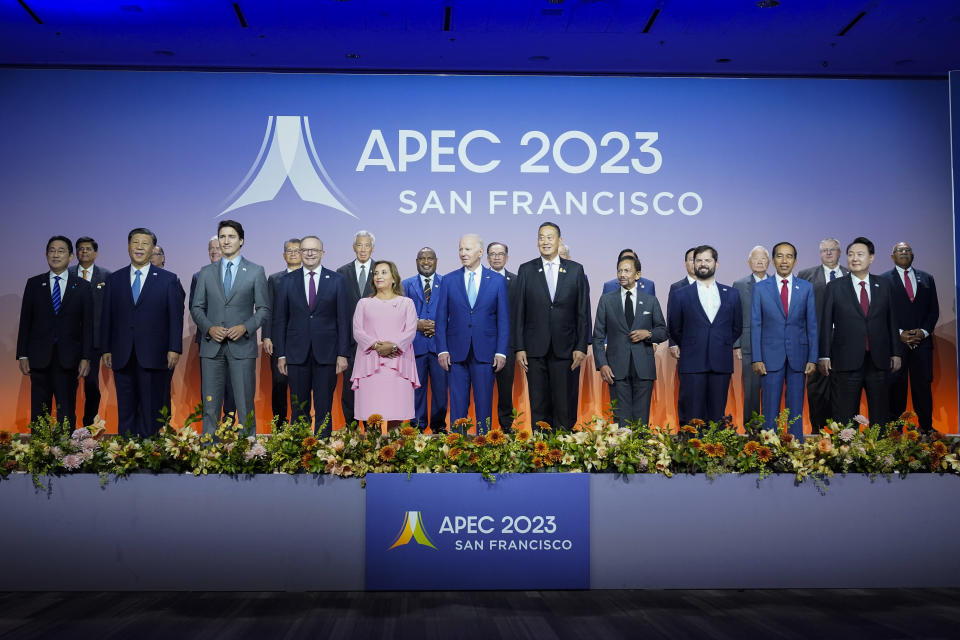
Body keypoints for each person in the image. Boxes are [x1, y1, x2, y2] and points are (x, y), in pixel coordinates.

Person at [100, 228, 184, 437]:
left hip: (154, 354)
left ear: (152, 248)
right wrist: (106, 348)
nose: (139, 247)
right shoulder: (115, 279)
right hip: (122, 353)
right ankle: (127, 453)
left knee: (150, 408)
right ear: (128, 246)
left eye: (144, 243)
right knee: (126, 408)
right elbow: (107, 316)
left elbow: (175, 316)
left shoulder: (168, 279)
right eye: (135, 242)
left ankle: (149, 453)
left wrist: (174, 347)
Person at [190, 220, 269, 433]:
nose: (226, 241)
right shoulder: (205, 272)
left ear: (241, 241)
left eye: (231, 236)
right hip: (211, 346)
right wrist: (209, 328)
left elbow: (263, 309)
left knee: (244, 404)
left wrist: (245, 327)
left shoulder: (255, 271)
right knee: (210, 404)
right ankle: (209, 450)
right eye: (222, 236)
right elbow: (196, 307)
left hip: (242, 346)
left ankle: (248, 450)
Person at [514, 222, 591, 430]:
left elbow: (583, 313)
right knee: (538, 403)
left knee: (564, 403)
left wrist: (581, 347)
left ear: (559, 240)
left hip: (566, 349)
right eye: (541, 237)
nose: (545, 241)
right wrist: (520, 347)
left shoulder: (576, 270)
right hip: (535, 349)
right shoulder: (526, 270)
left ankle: (564, 451)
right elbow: (519, 311)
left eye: (549, 237)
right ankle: (541, 452)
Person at [818, 237, 901, 426]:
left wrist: (896, 352)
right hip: (846, 361)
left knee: (880, 414)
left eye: (860, 254)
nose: (854, 258)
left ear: (871, 258)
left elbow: (892, 321)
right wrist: (824, 355)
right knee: (846, 415)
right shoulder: (835, 287)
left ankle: (879, 453)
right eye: (851, 254)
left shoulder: (884, 285)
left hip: (878, 360)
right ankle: (848, 454)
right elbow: (825, 324)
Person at [274, 236, 349, 436]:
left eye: (314, 250)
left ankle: (322, 452)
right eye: (305, 250)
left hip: (327, 354)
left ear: (322, 253)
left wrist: (343, 353)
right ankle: (299, 450)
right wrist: (281, 354)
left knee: (324, 407)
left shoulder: (337, 280)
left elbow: (343, 319)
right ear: (299, 253)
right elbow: (280, 319)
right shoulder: (287, 281)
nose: (309, 253)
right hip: (296, 354)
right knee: (299, 407)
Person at [436, 234, 509, 434]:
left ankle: (483, 447)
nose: (462, 253)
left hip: (485, 353)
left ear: (479, 252)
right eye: (460, 249)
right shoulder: (449, 280)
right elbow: (441, 319)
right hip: (455, 353)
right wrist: (441, 349)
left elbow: (503, 319)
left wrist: (501, 352)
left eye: (467, 249)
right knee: (458, 405)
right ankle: (456, 448)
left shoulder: (496, 281)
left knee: (484, 404)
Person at [16, 236, 93, 429]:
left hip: (69, 359)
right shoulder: (34, 283)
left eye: (61, 251)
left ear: (70, 256)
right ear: (46, 255)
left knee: (66, 411)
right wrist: (22, 354)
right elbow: (26, 322)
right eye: (52, 250)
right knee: (39, 412)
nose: (55, 254)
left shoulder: (82, 286)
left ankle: (67, 455)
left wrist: (86, 357)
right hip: (40, 358)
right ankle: (40, 454)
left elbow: (88, 325)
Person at [667, 245, 742, 424]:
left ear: (716, 264)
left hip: (721, 363)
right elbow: (675, 327)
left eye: (707, 260)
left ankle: (714, 451)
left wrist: (719, 344)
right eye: (698, 260)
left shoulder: (732, 294)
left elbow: (736, 327)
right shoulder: (680, 294)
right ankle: (690, 451)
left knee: (717, 415)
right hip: (692, 362)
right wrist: (694, 343)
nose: (702, 264)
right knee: (692, 415)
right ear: (693, 264)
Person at [750, 242, 817, 437]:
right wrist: (756, 358)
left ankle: (796, 449)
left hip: (799, 355)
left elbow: (812, 324)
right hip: (770, 356)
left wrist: (813, 357)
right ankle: (770, 451)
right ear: (773, 260)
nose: (784, 260)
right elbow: (756, 324)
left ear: (795, 260)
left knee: (796, 407)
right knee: (770, 408)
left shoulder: (806, 288)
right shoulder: (761, 288)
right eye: (780, 256)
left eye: (789, 256)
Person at [593, 255, 668, 426]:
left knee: (641, 421)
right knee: (621, 422)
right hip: (616, 369)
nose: (622, 274)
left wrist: (647, 334)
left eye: (627, 270)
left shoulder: (650, 301)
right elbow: (597, 336)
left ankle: (642, 452)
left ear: (637, 275)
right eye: (619, 270)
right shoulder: (606, 300)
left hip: (643, 368)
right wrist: (602, 364)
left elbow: (663, 331)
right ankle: (621, 452)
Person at [352, 261, 419, 427]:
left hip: (398, 362)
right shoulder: (364, 303)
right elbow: (357, 331)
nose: (378, 276)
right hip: (370, 364)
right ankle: (372, 452)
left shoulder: (406, 303)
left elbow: (410, 331)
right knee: (371, 411)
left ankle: (394, 450)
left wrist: (394, 346)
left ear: (394, 278)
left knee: (396, 409)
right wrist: (376, 346)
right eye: (376, 273)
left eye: (383, 272)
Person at [883, 242, 938, 430]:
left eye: (907, 250)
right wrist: (900, 334)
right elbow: (883, 312)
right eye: (900, 250)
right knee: (895, 388)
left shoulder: (927, 278)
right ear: (892, 256)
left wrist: (922, 332)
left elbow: (933, 311)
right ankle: (894, 432)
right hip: (896, 345)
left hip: (922, 344)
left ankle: (926, 429)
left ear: (912, 255)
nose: (904, 253)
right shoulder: (883, 280)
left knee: (922, 388)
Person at [797, 237, 849, 430]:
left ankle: (843, 433)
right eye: (824, 250)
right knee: (817, 389)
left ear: (839, 252)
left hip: (845, 342)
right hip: (816, 340)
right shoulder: (806, 275)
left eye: (832, 249)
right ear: (820, 253)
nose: (828, 253)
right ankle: (817, 431)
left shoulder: (850, 274)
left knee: (844, 388)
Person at [402, 247, 447, 433]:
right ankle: (417, 428)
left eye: (430, 258)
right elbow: (400, 315)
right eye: (422, 258)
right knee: (416, 390)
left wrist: (438, 325)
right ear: (416, 261)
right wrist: (417, 324)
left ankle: (438, 427)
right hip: (415, 346)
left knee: (441, 391)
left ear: (436, 261)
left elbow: (454, 312)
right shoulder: (405, 285)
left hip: (440, 347)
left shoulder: (447, 283)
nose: (426, 261)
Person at [68, 236, 111, 427]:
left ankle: (88, 429)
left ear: (96, 253)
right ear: (76, 253)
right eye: (80, 249)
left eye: (88, 249)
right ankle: (68, 428)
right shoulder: (67, 274)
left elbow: (111, 308)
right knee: (68, 386)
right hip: (70, 340)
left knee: (92, 385)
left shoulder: (106, 276)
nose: (84, 252)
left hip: (95, 340)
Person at [190, 236, 234, 419]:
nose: (214, 251)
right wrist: (210, 329)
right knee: (209, 384)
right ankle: (210, 425)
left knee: (232, 384)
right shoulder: (199, 276)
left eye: (218, 247)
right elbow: (195, 307)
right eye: (211, 248)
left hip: (234, 338)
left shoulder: (239, 273)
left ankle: (230, 422)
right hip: (208, 338)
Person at [337, 230, 375, 425]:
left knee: (371, 386)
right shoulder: (342, 272)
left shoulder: (381, 270)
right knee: (349, 387)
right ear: (354, 248)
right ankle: (351, 428)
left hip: (374, 341)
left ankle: (371, 430)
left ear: (372, 248)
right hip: (349, 341)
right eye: (359, 245)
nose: (363, 249)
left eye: (366, 245)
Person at [262, 238, 301, 426]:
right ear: (284, 255)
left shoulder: (309, 278)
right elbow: (267, 308)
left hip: (302, 339)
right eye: (289, 250)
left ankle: (299, 424)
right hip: (279, 339)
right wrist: (267, 335)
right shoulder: (275, 279)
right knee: (279, 383)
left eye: (297, 250)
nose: (293, 253)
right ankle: (279, 423)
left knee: (300, 385)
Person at [732, 246, 770, 421]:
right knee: (751, 391)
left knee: (772, 390)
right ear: (749, 263)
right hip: (748, 344)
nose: (760, 261)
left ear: (769, 262)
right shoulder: (739, 285)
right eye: (756, 258)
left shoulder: (777, 282)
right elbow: (735, 315)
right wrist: (737, 343)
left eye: (763, 258)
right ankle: (751, 432)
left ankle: (771, 429)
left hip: (773, 343)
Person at [486, 241, 519, 430]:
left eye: (500, 254)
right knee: (484, 389)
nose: (497, 257)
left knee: (506, 390)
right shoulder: (481, 279)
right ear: (487, 257)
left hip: (508, 344)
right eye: (493, 254)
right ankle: (484, 427)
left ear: (507, 257)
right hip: (484, 343)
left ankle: (506, 427)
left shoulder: (516, 281)